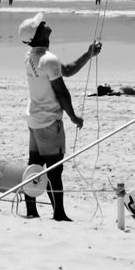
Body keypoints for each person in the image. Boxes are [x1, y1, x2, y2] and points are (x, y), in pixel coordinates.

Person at [18, 12, 102, 221]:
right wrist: (73, 116)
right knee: (55, 169)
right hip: (48, 121)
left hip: (34, 118)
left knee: (35, 165)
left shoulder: (31, 57)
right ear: (38, 35)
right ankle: (59, 214)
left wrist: (88, 54)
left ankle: (31, 210)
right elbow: (62, 92)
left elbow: (67, 70)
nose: (45, 24)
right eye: (41, 24)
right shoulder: (48, 59)